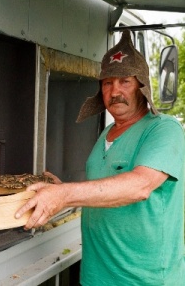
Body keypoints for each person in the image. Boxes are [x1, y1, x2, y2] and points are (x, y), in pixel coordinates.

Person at [15, 30, 185, 285]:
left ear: (142, 86)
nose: (115, 91)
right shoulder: (107, 132)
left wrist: (64, 195)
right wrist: (60, 191)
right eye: (107, 83)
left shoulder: (163, 129)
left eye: (124, 81)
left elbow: (140, 186)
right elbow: (103, 190)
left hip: (144, 280)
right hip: (96, 276)